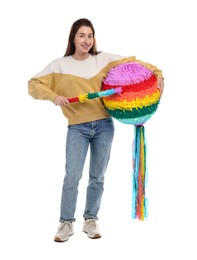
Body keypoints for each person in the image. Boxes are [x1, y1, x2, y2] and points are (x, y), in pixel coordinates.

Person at [28, 18, 164, 242]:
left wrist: (158, 73)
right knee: (72, 176)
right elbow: (33, 85)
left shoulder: (104, 59)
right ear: (73, 37)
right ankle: (66, 223)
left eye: (90, 36)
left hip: (104, 126)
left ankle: (90, 220)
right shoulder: (59, 65)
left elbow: (134, 61)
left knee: (97, 177)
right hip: (77, 128)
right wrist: (54, 96)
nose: (86, 40)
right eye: (81, 35)